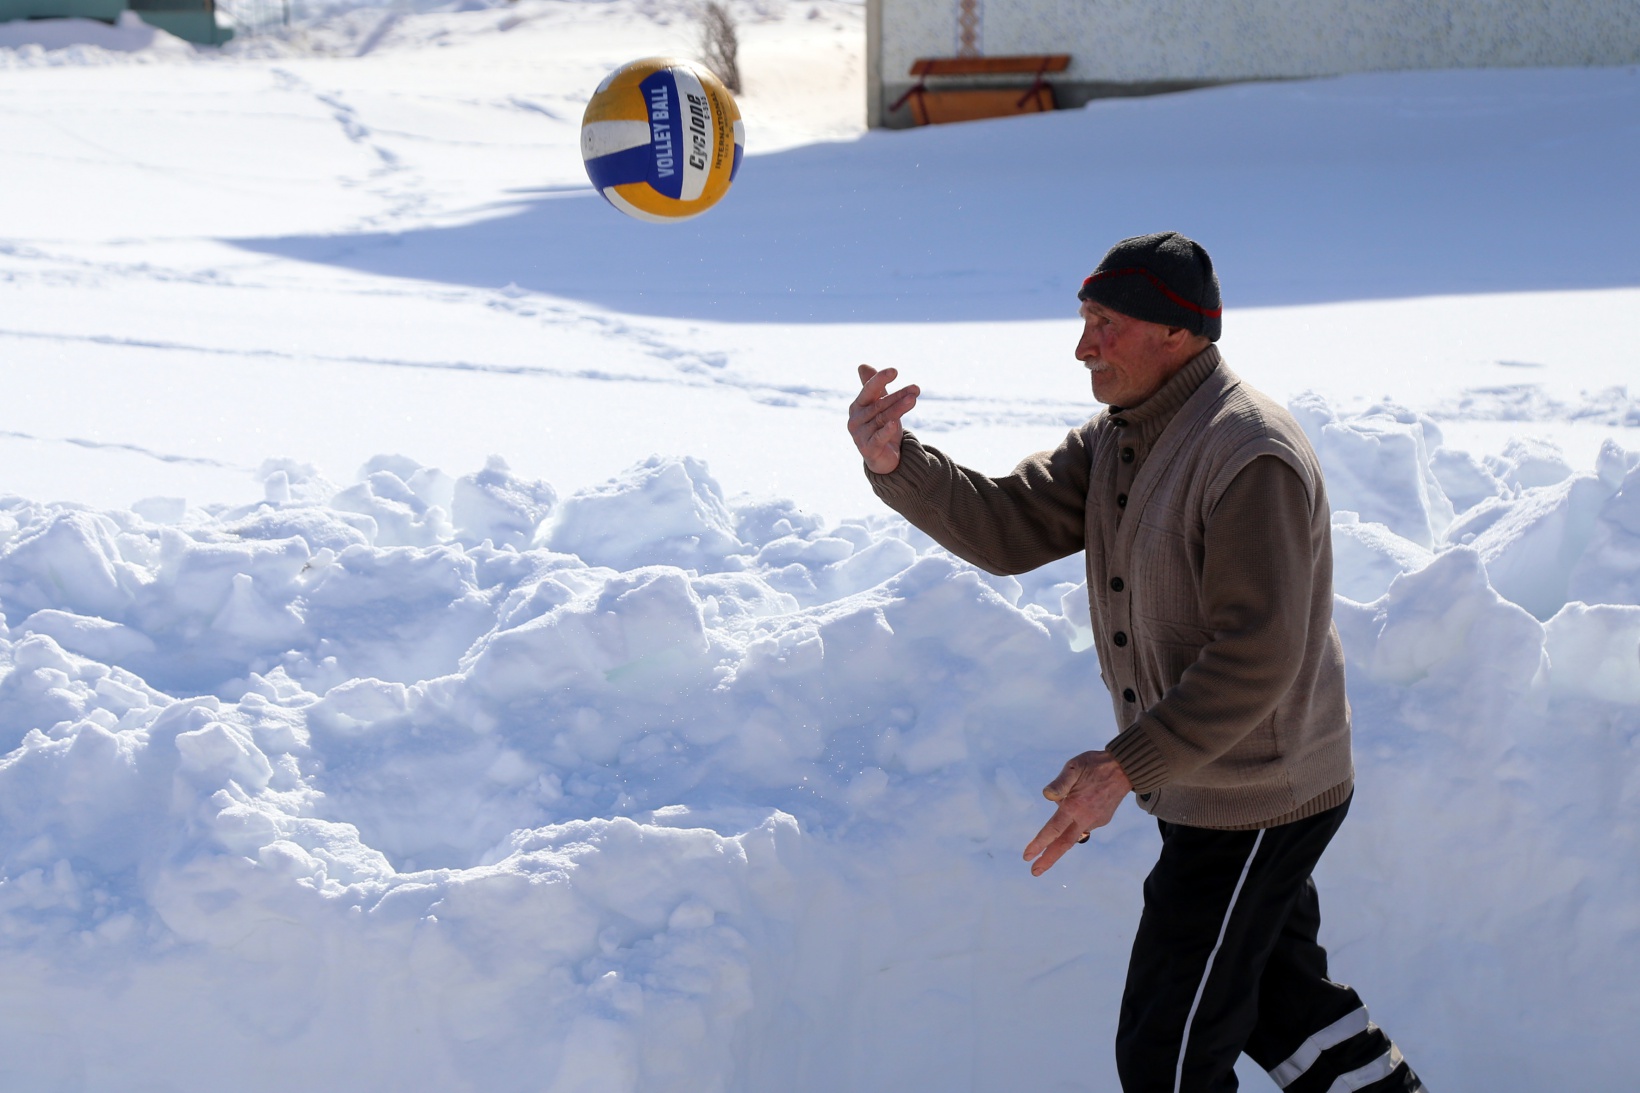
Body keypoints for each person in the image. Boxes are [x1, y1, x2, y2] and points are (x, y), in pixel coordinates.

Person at [846, 232, 1426, 1093]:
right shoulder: (1124, 437)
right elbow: (1011, 524)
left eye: (1105, 323)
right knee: (1280, 1003)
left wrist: (1122, 767)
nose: (1083, 346)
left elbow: (1258, 657)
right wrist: (899, 464)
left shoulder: (1246, 453)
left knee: (1169, 1053)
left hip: (1256, 795)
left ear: (1177, 332)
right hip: (1209, 781)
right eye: (1084, 319)